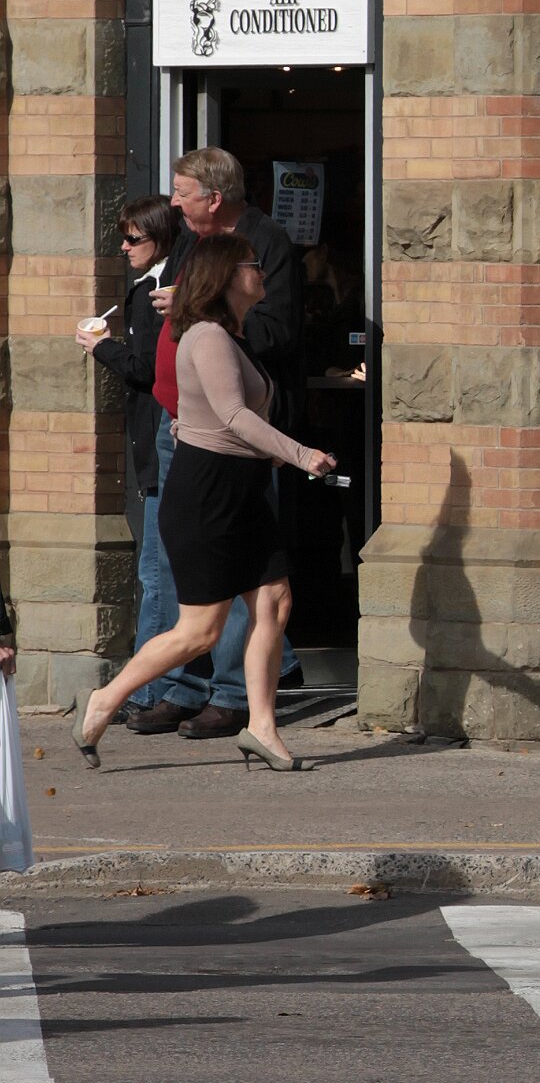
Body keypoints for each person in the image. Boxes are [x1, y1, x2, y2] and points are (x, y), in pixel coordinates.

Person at [77, 235, 336, 774]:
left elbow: (213, 419)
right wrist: (301, 454)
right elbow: (234, 416)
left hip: (242, 488)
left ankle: (261, 726)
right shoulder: (209, 335)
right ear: (225, 275)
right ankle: (106, 698)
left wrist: (270, 455)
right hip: (209, 495)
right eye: (252, 264)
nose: (262, 271)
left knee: (274, 601)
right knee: (200, 630)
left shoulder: (233, 334)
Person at [145, 148, 305, 740]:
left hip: (234, 438)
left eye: (182, 192)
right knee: (182, 562)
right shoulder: (191, 241)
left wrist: (203, 315)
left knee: (241, 569)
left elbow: (278, 330)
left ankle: (233, 694)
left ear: (214, 198)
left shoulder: (264, 244)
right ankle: (182, 687)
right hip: (180, 424)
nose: (174, 203)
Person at [81, 196, 178, 731]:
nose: (124, 247)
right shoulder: (149, 288)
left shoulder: (157, 294)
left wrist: (102, 348)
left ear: (160, 239)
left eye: (133, 238)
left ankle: (149, 691)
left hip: (162, 443)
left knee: (157, 574)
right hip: (156, 443)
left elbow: (146, 368)